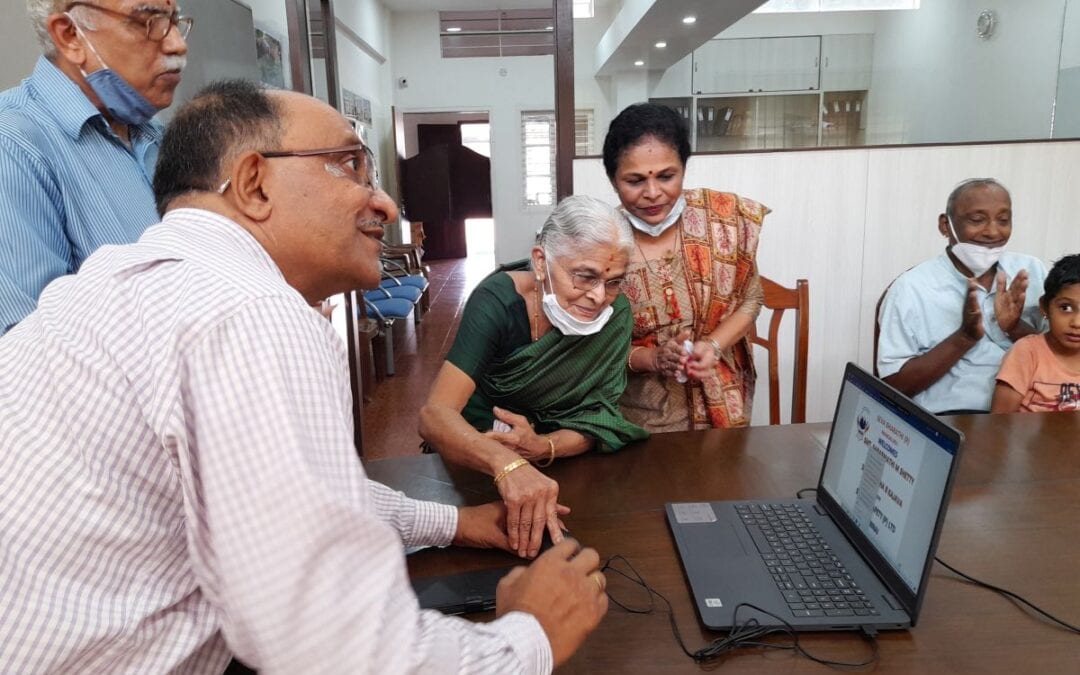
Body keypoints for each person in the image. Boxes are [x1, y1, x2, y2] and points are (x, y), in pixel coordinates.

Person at [0, 80, 607, 673]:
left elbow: (291, 493)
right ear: (254, 183)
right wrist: (530, 635)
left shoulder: (127, 280)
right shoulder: (248, 310)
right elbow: (334, 645)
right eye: (349, 166)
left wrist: (456, 523)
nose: (387, 204)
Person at [419, 196, 648, 559]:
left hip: (565, 468)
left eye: (614, 281)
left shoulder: (615, 314)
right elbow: (434, 416)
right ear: (541, 261)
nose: (598, 297)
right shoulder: (497, 302)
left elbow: (601, 419)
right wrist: (506, 461)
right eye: (584, 277)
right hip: (479, 453)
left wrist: (543, 446)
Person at [0, 0, 190, 334]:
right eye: (148, 21)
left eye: (174, 20)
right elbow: (31, 343)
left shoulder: (157, 136)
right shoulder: (15, 144)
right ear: (70, 35)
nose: (177, 44)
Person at [601, 102, 770, 431]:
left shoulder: (721, 218)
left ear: (684, 168)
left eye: (667, 176)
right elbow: (592, 345)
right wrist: (652, 358)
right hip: (640, 419)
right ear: (612, 180)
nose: (653, 193)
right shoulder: (601, 244)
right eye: (634, 181)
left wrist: (713, 345)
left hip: (722, 411)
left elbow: (752, 299)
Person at [877, 178, 1047, 414]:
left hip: (1033, 414)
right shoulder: (910, 288)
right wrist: (964, 337)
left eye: (1003, 220)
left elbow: (1067, 356)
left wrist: (1015, 327)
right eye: (977, 220)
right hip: (954, 421)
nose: (993, 231)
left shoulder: (1031, 271)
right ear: (945, 226)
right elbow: (893, 387)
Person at [992, 254, 1080, 413]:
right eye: (1065, 307)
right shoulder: (1027, 352)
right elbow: (999, 421)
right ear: (1045, 307)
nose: (1076, 323)